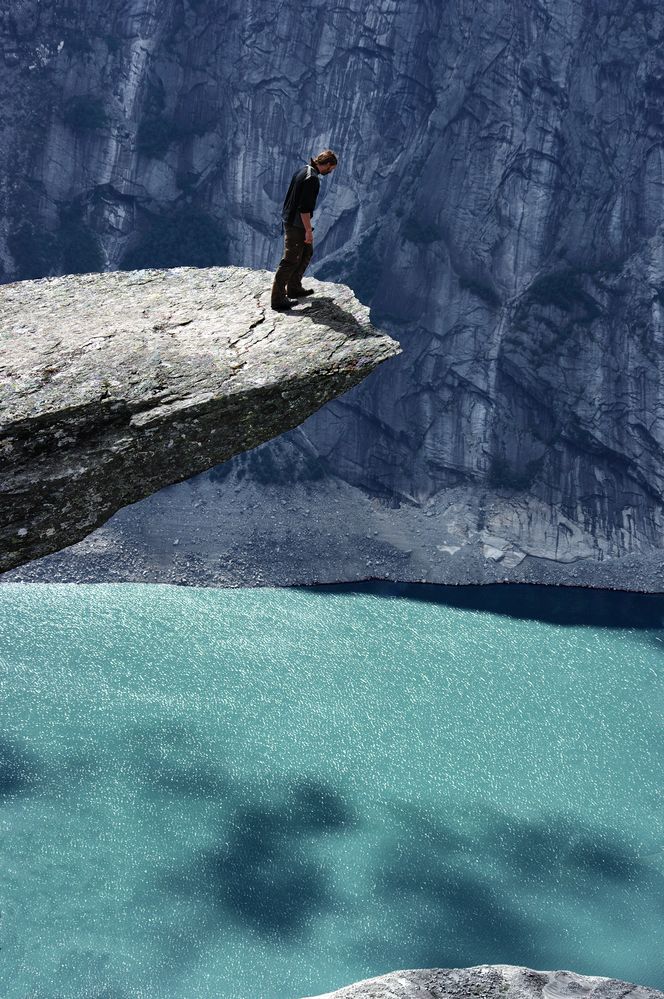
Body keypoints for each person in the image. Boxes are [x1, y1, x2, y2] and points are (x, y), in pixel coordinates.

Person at [271, 149, 338, 311]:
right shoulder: (312, 179)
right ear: (327, 164)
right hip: (296, 224)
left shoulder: (304, 170)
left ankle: (294, 287)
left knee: (307, 251)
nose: (331, 171)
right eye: (332, 168)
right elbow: (304, 209)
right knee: (290, 259)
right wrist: (308, 230)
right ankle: (278, 298)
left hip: (291, 219)